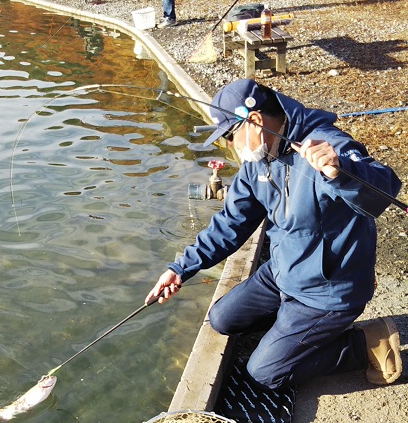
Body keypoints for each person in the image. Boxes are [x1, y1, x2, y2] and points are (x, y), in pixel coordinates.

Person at [146, 78, 403, 396]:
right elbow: (230, 225)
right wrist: (180, 269)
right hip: (283, 271)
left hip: (328, 288)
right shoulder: (257, 164)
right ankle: (292, 332)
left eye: (230, 135)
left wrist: (340, 173)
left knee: (265, 372)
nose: (230, 145)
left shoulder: (324, 142)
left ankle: (365, 343)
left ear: (253, 121)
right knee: (222, 318)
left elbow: (384, 190)